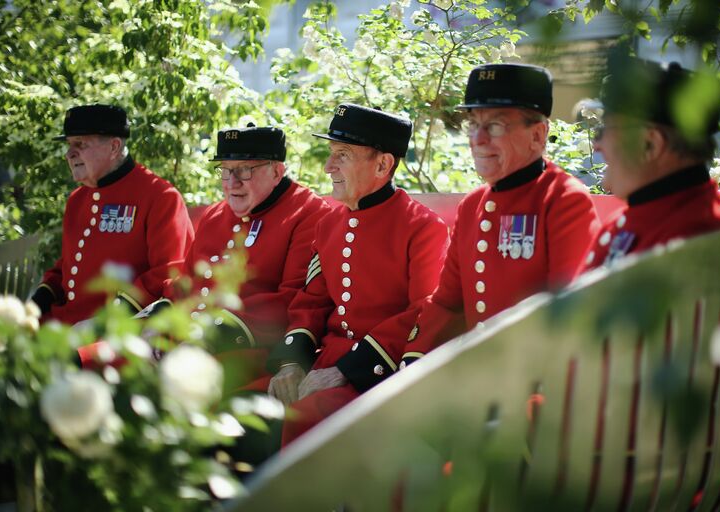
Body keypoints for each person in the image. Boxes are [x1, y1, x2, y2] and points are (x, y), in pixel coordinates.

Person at [266, 104, 449, 445]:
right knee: (248, 408)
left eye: (343, 155)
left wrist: (345, 371)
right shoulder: (328, 225)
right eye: (331, 153)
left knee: (306, 417)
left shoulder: (423, 227)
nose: (327, 167)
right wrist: (292, 363)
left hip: (377, 370)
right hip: (325, 361)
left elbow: (422, 311)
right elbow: (313, 301)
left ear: (383, 164)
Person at [401, 63, 601, 367]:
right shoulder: (472, 206)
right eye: (473, 124)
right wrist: (411, 362)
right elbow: (447, 304)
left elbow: (566, 314)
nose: (477, 139)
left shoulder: (563, 200)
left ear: (538, 135)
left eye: (495, 125)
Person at [142, 124, 330, 393]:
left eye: (244, 170)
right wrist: (156, 325)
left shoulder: (308, 213)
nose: (232, 183)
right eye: (226, 170)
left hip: (246, 350)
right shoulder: (216, 214)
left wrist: (207, 337)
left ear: (277, 171)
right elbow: (184, 284)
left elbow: (291, 300)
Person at [31, 104, 193, 325]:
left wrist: (105, 323)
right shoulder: (77, 200)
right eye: (69, 145)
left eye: (80, 144)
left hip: (123, 332)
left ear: (114, 146)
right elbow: (68, 267)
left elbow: (168, 273)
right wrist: (37, 302)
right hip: (63, 324)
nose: (70, 153)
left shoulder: (160, 196)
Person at [580, 54, 720, 271]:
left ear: (649, 144)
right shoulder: (651, 218)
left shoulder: (690, 244)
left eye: (604, 130)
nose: (597, 144)